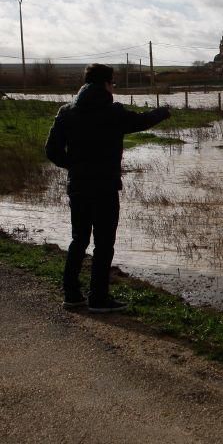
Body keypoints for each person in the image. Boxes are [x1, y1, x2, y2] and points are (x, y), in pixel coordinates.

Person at [45, 63, 170, 313]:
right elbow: (141, 121)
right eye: (113, 82)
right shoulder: (112, 112)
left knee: (78, 240)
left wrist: (75, 166)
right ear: (106, 83)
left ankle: (72, 295)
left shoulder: (66, 111)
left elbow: (52, 151)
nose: (113, 86)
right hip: (104, 187)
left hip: (78, 186)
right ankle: (98, 299)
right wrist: (163, 112)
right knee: (103, 244)